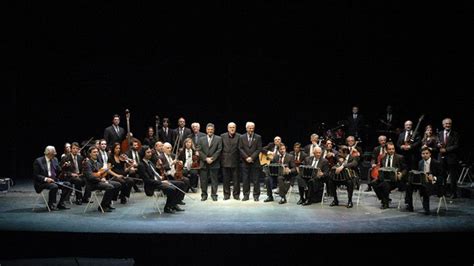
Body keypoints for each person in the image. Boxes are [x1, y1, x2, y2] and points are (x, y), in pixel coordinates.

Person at [137, 146, 183, 213]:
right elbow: (147, 180)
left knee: (180, 184)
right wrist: (161, 182)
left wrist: (160, 174)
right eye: (148, 152)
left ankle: (173, 204)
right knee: (171, 189)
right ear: (143, 154)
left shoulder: (150, 162)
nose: (150, 154)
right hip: (152, 185)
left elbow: (155, 173)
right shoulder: (141, 165)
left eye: (150, 152)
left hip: (159, 181)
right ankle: (167, 207)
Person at [405, 147, 443, 214]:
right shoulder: (420, 162)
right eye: (423, 154)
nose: (425, 155)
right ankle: (409, 206)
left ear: (430, 154)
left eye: (426, 153)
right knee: (408, 185)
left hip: (433, 184)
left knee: (425, 187)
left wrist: (434, 178)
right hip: (422, 182)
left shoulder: (436, 163)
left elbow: (442, 176)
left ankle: (426, 209)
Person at [33, 146, 72, 210]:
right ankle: (51, 204)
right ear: (48, 153)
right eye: (54, 153)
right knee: (54, 186)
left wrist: (65, 166)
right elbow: (36, 175)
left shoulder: (55, 159)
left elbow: (59, 170)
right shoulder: (38, 161)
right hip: (42, 182)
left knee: (68, 184)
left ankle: (61, 203)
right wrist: (46, 179)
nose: (55, 154)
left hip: (54, 181)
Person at [83, 147, 121, 212]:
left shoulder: (98, 163)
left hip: (99, 182)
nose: (96, 153)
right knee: (110, 187)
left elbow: (101, 174)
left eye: (97, 152)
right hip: (92, 184)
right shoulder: (87, 163)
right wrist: (101, 180)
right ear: (90, 154)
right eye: (94, 152)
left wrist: (103, 178)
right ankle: (103, 206)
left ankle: (108, 203)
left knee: (118, 184)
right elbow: (90, 177)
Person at [372, 142, 407, 209]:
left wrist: (401, 174)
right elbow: (381, 168)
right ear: (386, 150)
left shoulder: (400, 157)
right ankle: (384, 199)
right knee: (373, 183)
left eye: (393, 149)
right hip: (384, 178)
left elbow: (405, 169)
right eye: (390, 149)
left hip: (395, 180)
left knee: (385, 184)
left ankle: (385, 203)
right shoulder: (383, 158)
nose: (391, 151)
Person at [197, 123, 222, 201]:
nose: (210, 131)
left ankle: (214, 195)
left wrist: (212, 159)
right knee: (203, 180)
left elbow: (219, 149)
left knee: (214, 180)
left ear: (214, 130)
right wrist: (206, 158)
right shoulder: (201, 139)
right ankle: (204, 195)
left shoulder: (219, 139)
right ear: (206, 130)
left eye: (211, 129)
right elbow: (199, 150)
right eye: (208, 129)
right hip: (204, 163)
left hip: (214, 163)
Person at [238, 122, 262, 201]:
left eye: (252, 128)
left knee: (256, 180)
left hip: (255, 162)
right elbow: (240, 148)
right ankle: (246, 195)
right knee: (245, 180)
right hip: (245, 162)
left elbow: (259, 149)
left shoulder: (258, 137)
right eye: (249, 128)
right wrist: (246, 158)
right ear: (246, 128)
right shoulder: (241, 137)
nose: (251, 130)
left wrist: (251, 157)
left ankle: (256, 195)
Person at [437, 118, 460, 199]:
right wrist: (438, 145)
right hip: (441, 158)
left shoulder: (455, 134)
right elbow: (437, 143)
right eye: (446, 124)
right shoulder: (439, 133)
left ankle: (453, 193)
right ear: (443, 125)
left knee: (453, 177)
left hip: (451, 158)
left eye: (449, 123)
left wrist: (446, 149)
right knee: (442, 176)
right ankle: (443, 192)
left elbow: (456, 145)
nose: (448, 125)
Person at [220, 122, 241, 200]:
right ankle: (226, 194)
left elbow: (240, 149)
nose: (232, 129)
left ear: (235, 128)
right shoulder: (222, 136)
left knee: (236, 180)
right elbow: (220, 149)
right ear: (228, 128)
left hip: (236, 161)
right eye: (230, 127)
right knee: (226, 179)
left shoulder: (239, 136)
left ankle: (236, 195)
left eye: (233, 127)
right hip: (225, 161)